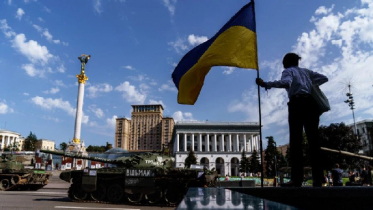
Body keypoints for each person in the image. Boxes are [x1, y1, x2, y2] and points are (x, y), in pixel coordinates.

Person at [256, 53, 328, 187]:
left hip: (297, 104)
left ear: (285, 63)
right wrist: (310, 85)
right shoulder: (306, 72)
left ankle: (297, 179)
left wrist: (266, 83)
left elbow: (286, 82)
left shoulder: (288, 71)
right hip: (311, 104)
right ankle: (319, 178)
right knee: (314, 141)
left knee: (296, 142)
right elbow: (324, 78)